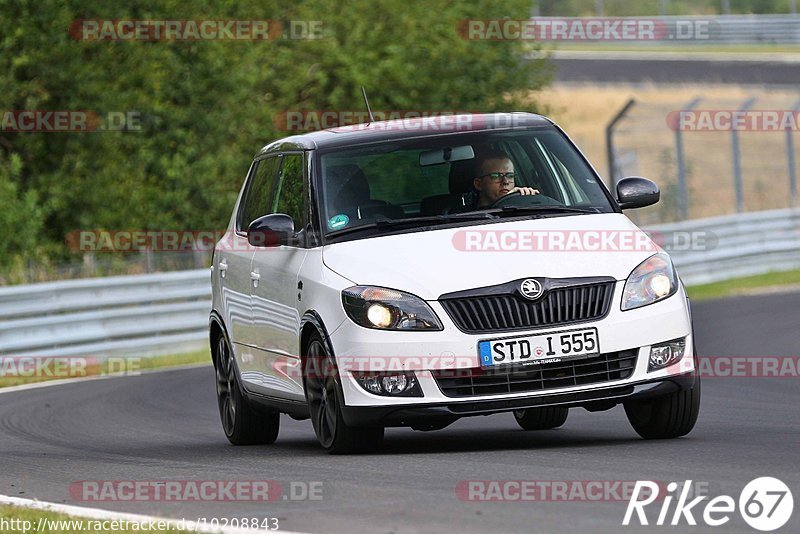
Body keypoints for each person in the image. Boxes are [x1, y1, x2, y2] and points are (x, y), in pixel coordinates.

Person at [472, 151, 539, 208]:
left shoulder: (521, 207)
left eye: (510, 176)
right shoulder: (469, 219)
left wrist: (529, 199)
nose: (505, 181)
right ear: (479, 184)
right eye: (495, 176)